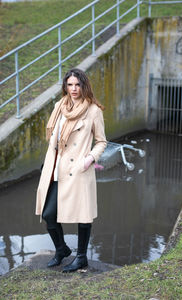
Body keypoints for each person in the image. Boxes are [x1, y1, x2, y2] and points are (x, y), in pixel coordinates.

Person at [35, 68, 107, 272]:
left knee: (83, 215)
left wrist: (89, 159)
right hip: (55, 167)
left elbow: (101, 141)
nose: (74, 89)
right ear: (65, 86)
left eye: (77, 84)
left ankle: (82, 257)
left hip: (78, 169)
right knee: (49, 214)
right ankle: (62, 250)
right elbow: (54, 139)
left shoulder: (93, 110)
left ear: (84, 85)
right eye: (70, 84)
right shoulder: (59, 106)